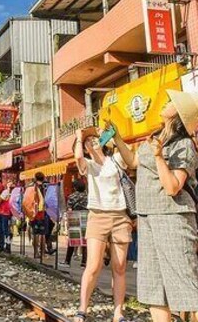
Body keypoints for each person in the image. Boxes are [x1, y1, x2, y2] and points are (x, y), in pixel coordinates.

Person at [115, 90, 198, 322]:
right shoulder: (157, 136)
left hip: (172, 216)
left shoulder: (184, 145)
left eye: (172, 102)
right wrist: (117, 140)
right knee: (154, 290)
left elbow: (173, 186)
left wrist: (160, 157)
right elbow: (134, 162)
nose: (166, 101)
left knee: (188, 290)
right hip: (148, 216)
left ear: (181, 113)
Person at [72, 126, 132, 322]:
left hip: (120, 216)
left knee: (120, 265)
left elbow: (130, 157)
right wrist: (79, 139)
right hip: (97, 216)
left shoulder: (115, 160)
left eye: (94, 139)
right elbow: (78, 161)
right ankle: (82, 308)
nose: (92, 142)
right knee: (93, 265)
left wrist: (114, 135)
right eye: (88, 141)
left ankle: (118, 312)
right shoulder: (88, 165)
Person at [23, 172, 50, 258]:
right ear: (43, 178)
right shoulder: (46, 186)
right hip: (43, 213)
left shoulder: (30, 186)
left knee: (35, 233)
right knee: (42, 234)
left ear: (35, 177)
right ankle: (42, 253)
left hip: (33, 213)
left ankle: (35, 253)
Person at [64, 178, 88, 267]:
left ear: (75, 187)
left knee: (73, 240)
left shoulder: (72, 196)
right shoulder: (87, 196)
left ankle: (67, 261)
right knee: (85, 241)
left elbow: (69, 209)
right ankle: (84, 262)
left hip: (75, 216)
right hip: (86, 216)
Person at [0, 180, 13, 252]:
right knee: (0, 230)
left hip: (5, 214)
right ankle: (1, 246)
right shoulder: (2, 192)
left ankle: (8, 246)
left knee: (5, 230)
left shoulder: (5, 192)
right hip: (0, 213)